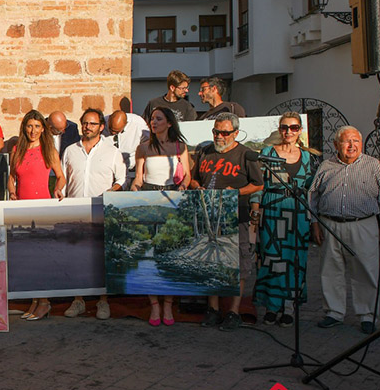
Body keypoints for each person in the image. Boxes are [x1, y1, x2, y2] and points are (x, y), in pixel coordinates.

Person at [189, 112, 263, 332]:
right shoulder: (206, 152)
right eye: (216, 131)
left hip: (236, 214)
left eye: (224, 133)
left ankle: (234, 311)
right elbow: (194, 178)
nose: (219, 136)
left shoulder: (246, 155)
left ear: (236, 133)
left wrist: (237, 192)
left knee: (238, 262)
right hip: (209, 216)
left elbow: (258, 185)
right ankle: (213, 308)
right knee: (212, 261)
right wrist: (196, 187)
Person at [309, 126, 380, 335]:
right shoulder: (326, 165)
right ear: (336, 145)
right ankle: (334, 312)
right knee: (330, 270)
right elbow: (313, 195)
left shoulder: (374, 166)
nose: (352, 145)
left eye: (356, 141)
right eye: (346, 141)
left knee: (365, 270)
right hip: (330, 225)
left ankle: (367, 315)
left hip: (363, 224)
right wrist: (314, 223)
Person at [254, 112, 320, 327]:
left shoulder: (309, 157)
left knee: (295, 259)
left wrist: (314, 219)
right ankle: (273, 306)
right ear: (280, 129)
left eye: (293, 128)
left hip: (298, 212)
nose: (288, 132)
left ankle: (290, 305)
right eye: (284, 127)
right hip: (273, 209)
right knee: (272, 258)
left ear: (300, 130)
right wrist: (256, 208)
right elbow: (258, 183)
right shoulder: (267, 152)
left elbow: (313, 188)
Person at [62, 108, 126, 321]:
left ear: (101, 127)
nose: (87, 127)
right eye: (85, 123)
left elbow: (121, 179)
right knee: (76, 258)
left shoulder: (112, 152)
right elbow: (63, 180)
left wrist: (113, 191)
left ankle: (103, 301)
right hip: (75, 212)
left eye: (92, 123)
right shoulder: (70, 150)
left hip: (101, 211)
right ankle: (78, 300)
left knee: (100, 258)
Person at [132, 107, 191, 326]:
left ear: (169, 123)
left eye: (158, 119)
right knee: (150, 251)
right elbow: (139, 177)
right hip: (150, 197)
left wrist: (183, 187)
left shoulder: (180, 147)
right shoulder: (143, 148)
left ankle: (168, 303)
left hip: (173, 198)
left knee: (170, 252)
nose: (153, 122)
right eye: (152, 119)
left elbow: (187, 176)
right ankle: (154, 305)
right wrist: (135, 189)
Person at [6, 110, 66, 321]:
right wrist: (12, 192)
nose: (33, 131)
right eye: (29, 126)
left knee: (41, 258)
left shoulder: (49, 149)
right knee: (27, 259)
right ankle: (34, 300)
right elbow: (11, 178)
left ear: (43, 129)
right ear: (24, 128)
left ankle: (44, 302)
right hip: (22, 210)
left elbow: (61, 177)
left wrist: (58, 189)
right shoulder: (17, 150)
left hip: (42, 208)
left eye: (37, 126)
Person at [105, 110, 150, 180]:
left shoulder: (138, 124)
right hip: (109, 172)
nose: (113, 133)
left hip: (131, 170)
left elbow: (147, 145)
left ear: (126, 124)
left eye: (116, 131)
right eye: (111, 129)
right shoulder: (102, 123)